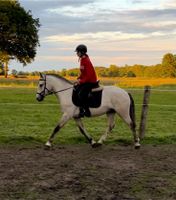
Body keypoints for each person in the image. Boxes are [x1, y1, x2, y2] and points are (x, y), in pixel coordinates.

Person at [74, 44, 98, 117]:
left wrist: (80, 81)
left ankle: (86, 110)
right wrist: (78, 79)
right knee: (76, 89)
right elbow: (83, 72)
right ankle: (79, 108)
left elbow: (88, 75)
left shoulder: (86, 61)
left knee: (81, 93)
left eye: (77, 52)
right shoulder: (82, 60)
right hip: (86, 80)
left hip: (91, 81)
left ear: (82, 52)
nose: (76, 53)